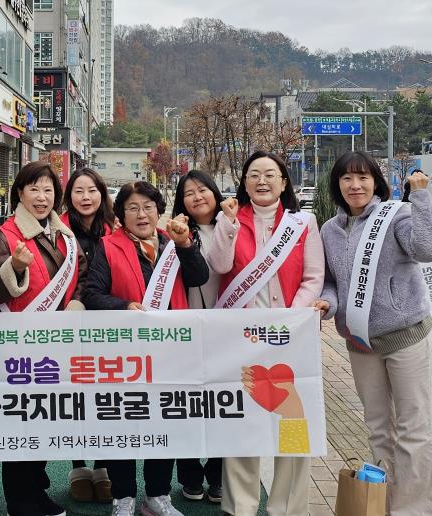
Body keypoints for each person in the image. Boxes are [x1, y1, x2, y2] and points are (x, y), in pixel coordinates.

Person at [314, 151, 432, 514]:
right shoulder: (329, 230)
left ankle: (413, 510)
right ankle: (382, 505)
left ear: (376, 183)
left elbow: (428, 249)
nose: (355, 185)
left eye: (363, 177)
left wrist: (420, 197)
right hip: (360, 344)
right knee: (379, 429)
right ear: (337, 185)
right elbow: (330, 282)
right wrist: (327, 304)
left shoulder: (395, 216)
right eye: (346, 178)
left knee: (414, 429)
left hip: (406, 336)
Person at [84, 180, 211, 516]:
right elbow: (92, 294)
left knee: (164, 422)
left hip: (170, 353)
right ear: (121, 215)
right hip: (124, 354)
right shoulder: (107, 246)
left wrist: (186, 246)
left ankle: (157, 495)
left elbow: (198, 277)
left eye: (148, 207)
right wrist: (124, 306)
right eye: (133, 208)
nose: (141, 215)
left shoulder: (173, 241)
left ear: (158, 211)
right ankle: (123, 497)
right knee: (122, 422)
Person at [211, 151, 324, 516]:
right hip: (241, 340)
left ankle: (287, 507)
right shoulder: (229, 219)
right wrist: (228, 225)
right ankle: (240, 506)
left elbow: (313, 278)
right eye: (254, 174)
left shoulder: (303, 223)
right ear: (244, 183)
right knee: (242, 423)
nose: (262, 181)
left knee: (293, 421)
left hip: (291, 340)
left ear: (283, 182)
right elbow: (220, 265)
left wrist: (289, 321)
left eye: (270, 174)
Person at [0, 161, 87, 516]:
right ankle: (19, 498)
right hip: (20, 349)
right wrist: (15, 267)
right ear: (20, 193)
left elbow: (83, 274)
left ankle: (37, 490)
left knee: (45, 421)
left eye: (48, 190)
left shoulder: (64, 235)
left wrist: (76, 303)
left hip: (57, 347)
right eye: (34, 189)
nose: (42, 198)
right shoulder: (6, 236)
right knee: (21, 423)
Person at [169, 170, 233, 504]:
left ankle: (219, 476)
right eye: (189, 192)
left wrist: (228, 222)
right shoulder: (175, 231)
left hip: (227, 331)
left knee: (223, 405)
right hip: (186, 331)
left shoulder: (232, 225)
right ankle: (191, 476)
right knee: (187, 405)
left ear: (214, 192)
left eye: (203, 189)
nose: (197, 197)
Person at [60, 167, 115, 503]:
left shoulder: (115, 228)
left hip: (109, 325)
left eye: (92, 190)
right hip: (70, 324)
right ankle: (78, 466)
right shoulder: (57, 230)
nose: (85, 197)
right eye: (78, 191)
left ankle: (103, 466)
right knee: (74, 397)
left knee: (106, 397)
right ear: (69, 196)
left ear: (101, 194)